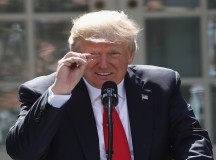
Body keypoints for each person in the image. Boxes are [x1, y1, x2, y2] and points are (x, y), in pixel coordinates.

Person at [6, 10, 214, 160]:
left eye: (114, 53)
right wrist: (59, 93)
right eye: (93, 54)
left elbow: (190, 138)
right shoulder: (42, 91)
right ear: (74, 54)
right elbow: (23, 153)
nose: (103, 64)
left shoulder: (162, 84)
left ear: (131, 55)